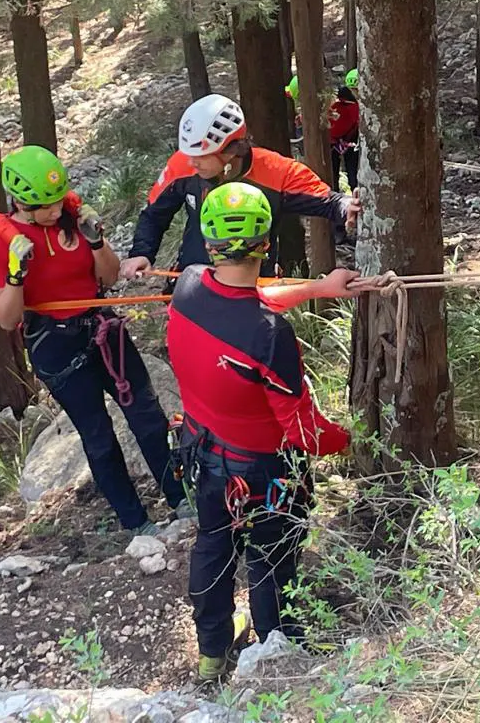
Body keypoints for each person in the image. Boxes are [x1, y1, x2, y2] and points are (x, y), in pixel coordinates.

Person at [166, 182, 363, 680]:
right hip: (263, 470)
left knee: (213, 545)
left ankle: (212, 653)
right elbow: (303, 432)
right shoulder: (269, 335)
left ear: (208, 243)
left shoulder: (188, 284)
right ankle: (278, 651)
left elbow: (244, 299)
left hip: (203, 454)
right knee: (272, 557)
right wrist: (350, 441)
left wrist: (318, 288)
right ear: (267, 243)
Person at [0, 145, 188, 534]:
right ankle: (136, 522)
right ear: (20, 203)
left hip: (102, 328)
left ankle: (180, 498)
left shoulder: (73, 221)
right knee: (98, 435)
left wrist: (96, 242)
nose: (54, 211)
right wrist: (15, 275)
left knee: (147, 415)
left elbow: (108, 277)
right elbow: (6, 318)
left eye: (58, 201)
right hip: (56, 344)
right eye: (45, 206)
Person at [120, 94, 360, 281]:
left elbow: (328, 201)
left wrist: (347, 205)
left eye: (201, 156)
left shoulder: (275, 170)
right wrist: (142, 252)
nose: (192, 162)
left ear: (231, 150)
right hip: (193, 282)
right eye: (189, 154)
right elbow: (154, 214)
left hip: (255, 289)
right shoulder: (182, 164)